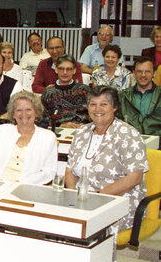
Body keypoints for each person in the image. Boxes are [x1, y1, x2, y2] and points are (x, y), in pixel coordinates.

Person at [65, 86, 148, 236]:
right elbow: (70, 169)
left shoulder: (128, 134)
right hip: (82, 199)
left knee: (90, 226)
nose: (98, 109)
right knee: (57, 219)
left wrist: (98, 196)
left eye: (104, 104)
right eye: (93, 104)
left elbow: (135, 177)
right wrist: (72, 193)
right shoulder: (81, 132)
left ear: (114, 107)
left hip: (119, 199)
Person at [0, 91, 57, 184]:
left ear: (37, 112)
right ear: (13, 114)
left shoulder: (48, 137)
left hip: (27, 188)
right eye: (19, 110)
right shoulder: (2, 130)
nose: (24, 114)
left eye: (28, 110)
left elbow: (49, 172)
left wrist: (20, 183)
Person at [41, 55, 90, 128]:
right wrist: (60, 125)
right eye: (61, 69)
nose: (65, 72)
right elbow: (43, 118)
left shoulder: (84, 90)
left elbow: (94, 113)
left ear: (74, 71)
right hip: (58, 130)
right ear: (56, 70)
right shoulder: (48, 93)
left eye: (69, 69)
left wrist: (83, 125)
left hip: (82, 128)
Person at [118, 56, 161, 136]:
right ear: (133, 73)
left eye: (147, 71)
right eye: (139, 71)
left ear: (154, 73)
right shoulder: (123, 96)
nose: (143, 75)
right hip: (130, 142)